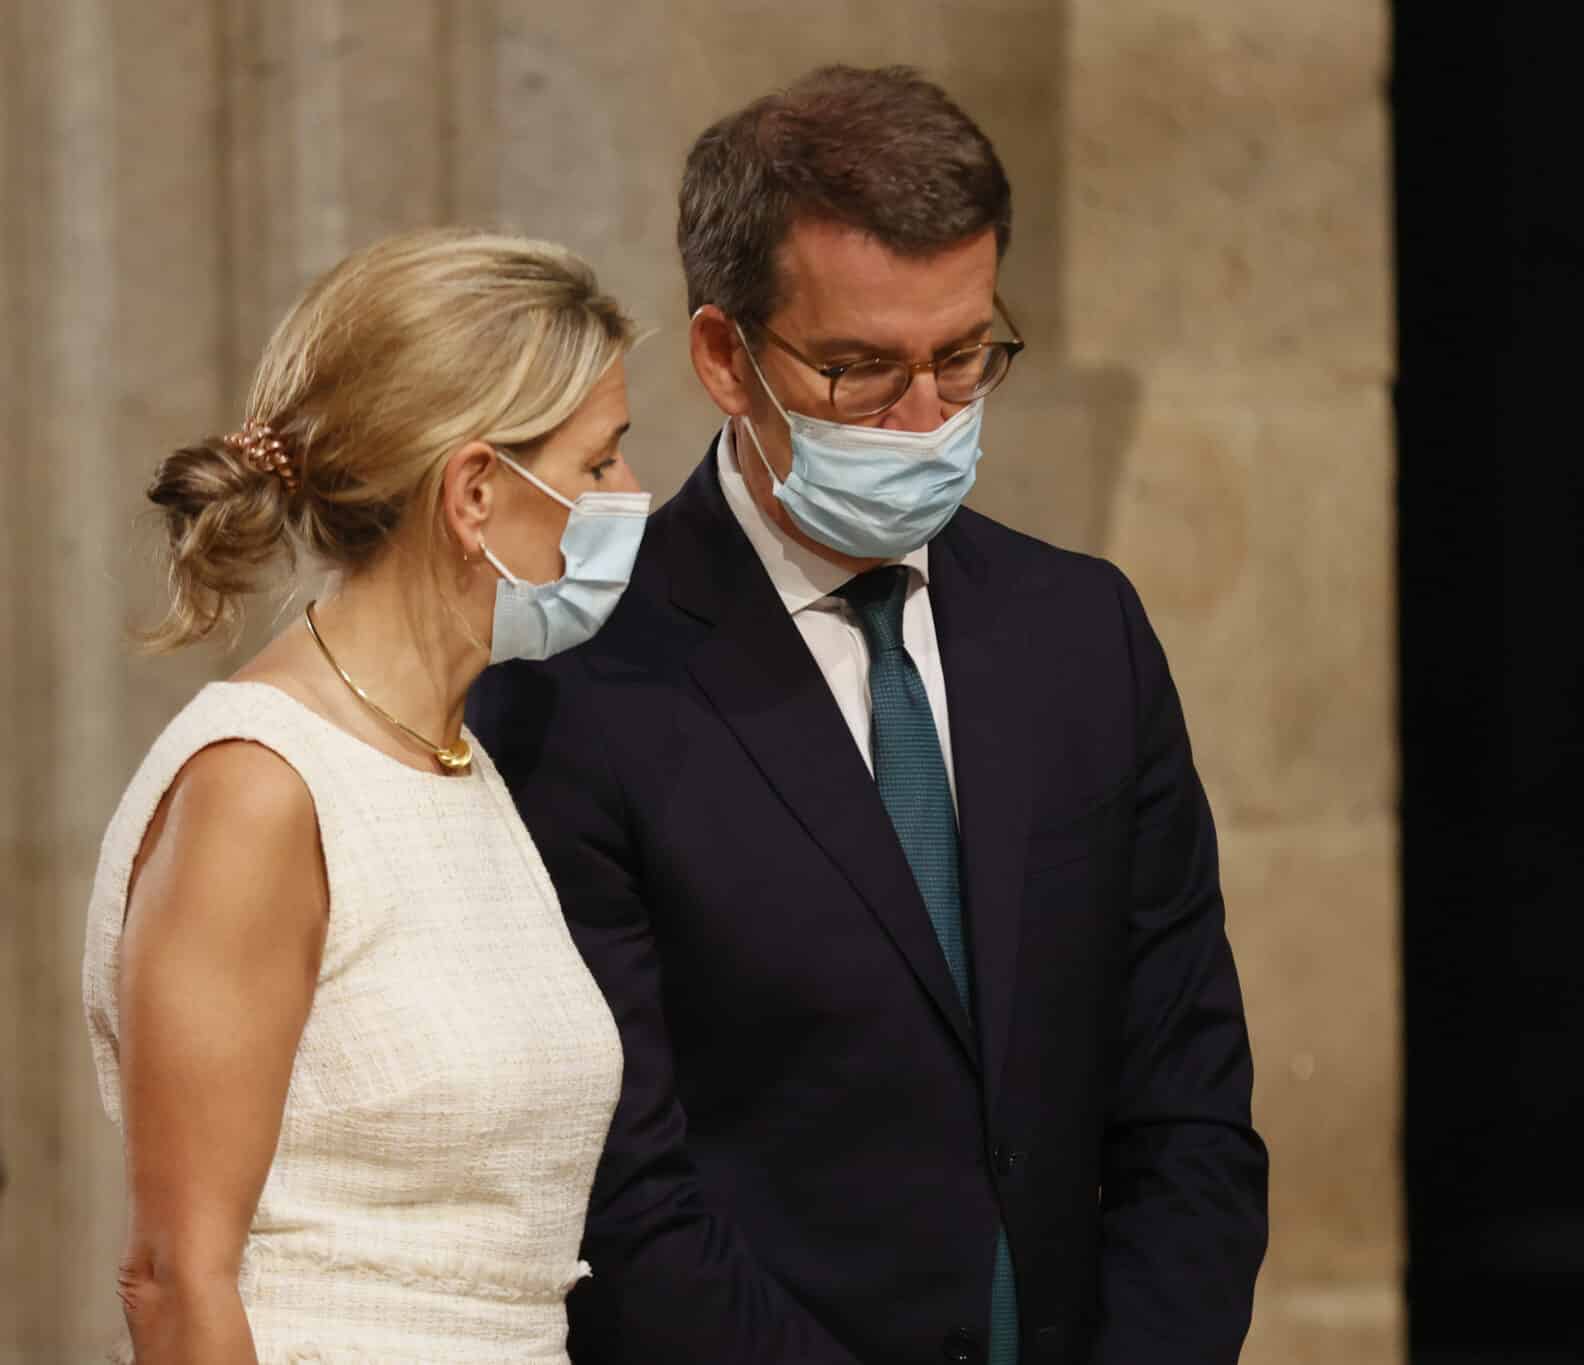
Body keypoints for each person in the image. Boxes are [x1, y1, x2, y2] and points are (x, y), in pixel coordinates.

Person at [469, 65, 1268, 1364]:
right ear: (727, 358)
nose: (923, 420)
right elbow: (625, 1197)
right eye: (858, 370)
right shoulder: (579, 686)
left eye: (963, 357)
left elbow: (1187, 1105)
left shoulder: (1083, 635)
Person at [81, 228, 650, 1363]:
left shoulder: (454, 758)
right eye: (599, 464)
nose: (633, 496)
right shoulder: (260, 785)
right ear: (477, 491)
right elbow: (176, 1280)